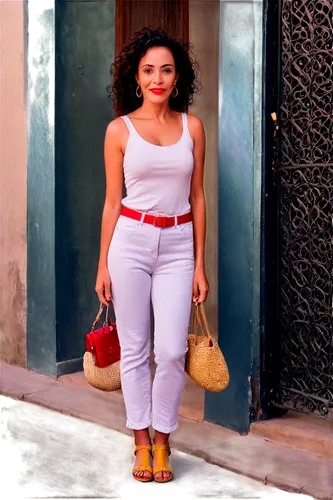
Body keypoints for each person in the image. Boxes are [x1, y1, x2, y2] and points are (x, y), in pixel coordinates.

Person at [95, 27, 209, 484]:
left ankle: (164, 438)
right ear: (136, 78)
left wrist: (201, 263)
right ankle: (142, 442)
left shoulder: (191, 127)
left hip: (180, 245)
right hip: (131, 242)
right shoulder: (118, 130)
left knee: (170, 349)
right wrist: (102, 262)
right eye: (148, 70)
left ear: (177, 76)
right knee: (137, 349)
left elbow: (198, 197)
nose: (157, 78)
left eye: (165, 69)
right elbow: (111, 201)